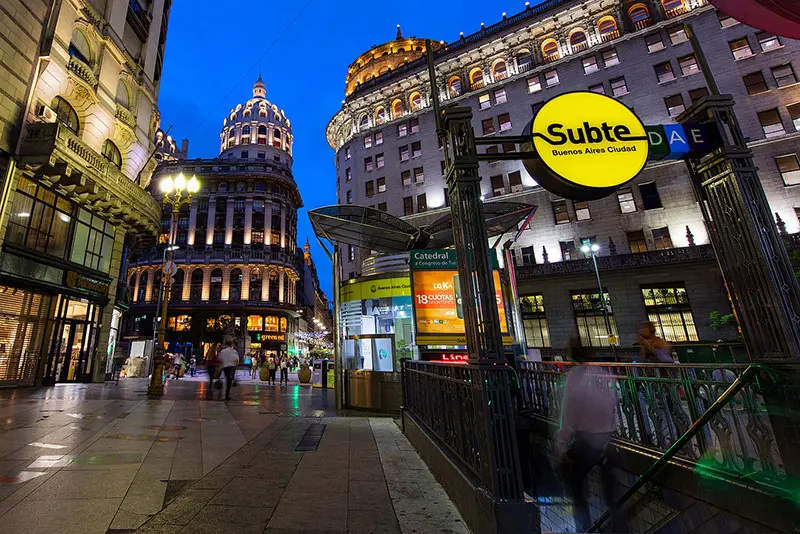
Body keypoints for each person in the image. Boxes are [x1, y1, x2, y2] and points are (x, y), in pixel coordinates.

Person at [558, 337, 626, 533]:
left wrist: (562, 446)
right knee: (613, 497)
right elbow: (614, 403)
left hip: (585, 442)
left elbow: (568, 417)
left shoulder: (573, 378)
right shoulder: (603, 375)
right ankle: (620, 529)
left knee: (577, 490)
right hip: (608, 442)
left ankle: (584, 528)